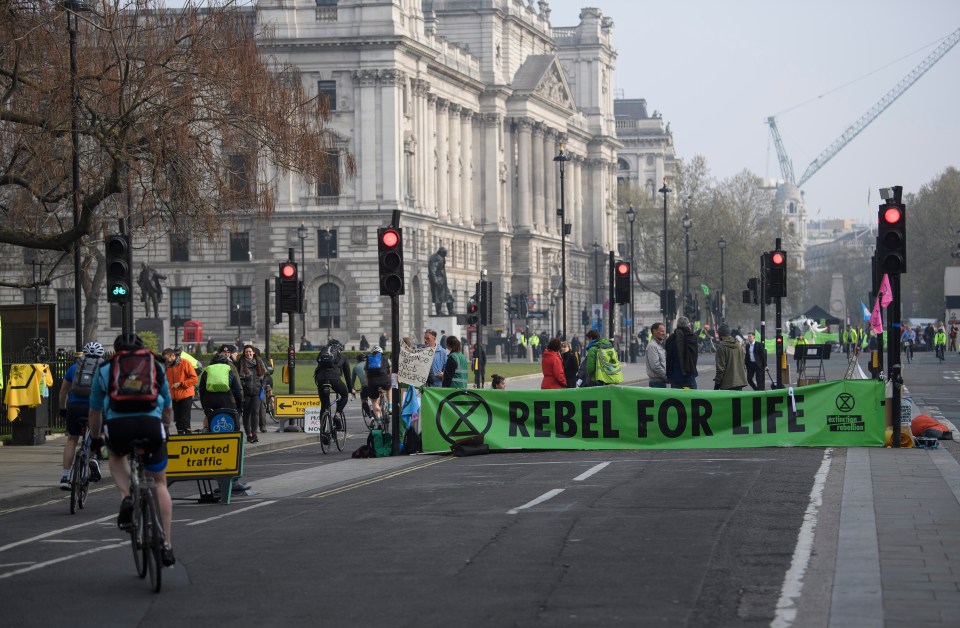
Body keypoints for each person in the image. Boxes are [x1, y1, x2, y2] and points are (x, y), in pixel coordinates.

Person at [87, 333, 176, 567]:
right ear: (141, 349)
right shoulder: (155, 364)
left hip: (119, 427)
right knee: (159, 483)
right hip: (151, 424)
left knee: (116, 457)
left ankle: (127, 498)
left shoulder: (105, 368)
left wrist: (96, 440)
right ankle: (166, 545)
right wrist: (165, 429)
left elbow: (95, 412)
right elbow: (167, 406)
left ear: (116, 351)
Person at [57, 342, 105, 489]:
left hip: (75, 406)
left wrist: (63, 409)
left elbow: (63, 391)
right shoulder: (104, 369)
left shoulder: (74, 367)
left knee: (72, 439)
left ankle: (65, 476)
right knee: (100, 433)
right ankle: (95, 458)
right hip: (94, 407)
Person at [198, 352, 244, 431]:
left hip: (209, 400)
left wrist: (204, 406)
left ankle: (207, 432)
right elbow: (237, 391)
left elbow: (201, 389)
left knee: (210, 420)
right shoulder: (229, 370)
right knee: (229, 417)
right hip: (225, 399)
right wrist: (239, 407)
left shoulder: (207, 370)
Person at [314, 339, 352, 424]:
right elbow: (347, 376)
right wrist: (351, 389)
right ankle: (337, 415)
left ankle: (322, 430)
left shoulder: (322, 354)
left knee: (324, 406)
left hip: (321, 379)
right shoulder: (343, 357)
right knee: (344, 395)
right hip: (334, 379)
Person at [162, 347, 198, 435]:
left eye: (167, 359)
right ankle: (180, 435)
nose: (167, 361)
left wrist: (181, 384)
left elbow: (194, 378)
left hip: (186, 394)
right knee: (177, 419)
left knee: (185, 418)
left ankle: (188, 435)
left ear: (173, 355)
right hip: (174, 396)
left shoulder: (185, 363)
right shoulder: (167, 366)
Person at [237, 345, 266, 444]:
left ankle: (254, 433)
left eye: (250, 352)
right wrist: (244, 385)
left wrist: (264, 385)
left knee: (255, 412)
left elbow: (264, 375)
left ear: (253, 352)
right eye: (246, 352)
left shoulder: (259, 361)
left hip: (257, 392)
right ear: (244, 353)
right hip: (246, 392)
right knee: (247, 413)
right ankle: (248, 434)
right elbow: (239, 378)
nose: (248, 353)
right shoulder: (242, 363)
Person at [664, 316, 699, 389]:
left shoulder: (671, 339)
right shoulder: (692, 337)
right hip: (689, 375)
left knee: (676, 399)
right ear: (688, 325)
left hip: (674, 376)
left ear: (677, 325)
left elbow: (668, 356)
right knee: (692, 398)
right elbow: (694, 356)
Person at [362, 345, 393, 423]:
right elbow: (390, 372)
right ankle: (389, 407)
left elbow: (366, 375)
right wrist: (389, 379)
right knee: (389, 389)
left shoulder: (368, 360)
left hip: (372, 382)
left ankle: (378, 421)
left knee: (374, 401)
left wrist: (368, 383)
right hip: (384, 380)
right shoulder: (386, 358)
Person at [714, 324, 748, 391]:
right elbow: (742, 362)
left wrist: (717, 384)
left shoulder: (721, 348)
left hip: (727, 384)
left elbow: (720, 369)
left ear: (720, 335)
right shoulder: (738, 345)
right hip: (739, 381)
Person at [428, 247, 455, 315]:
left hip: (443, 281)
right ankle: (438, 311)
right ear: (441, 252)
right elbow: (432, 270)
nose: (446, 255)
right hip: (438, 281)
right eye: (445, 253)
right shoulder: (435, 258)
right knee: (438, 297)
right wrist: (435, 280)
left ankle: (451, 311)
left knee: (449, 297)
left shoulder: (441, 257)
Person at [644, 322, 668, 388]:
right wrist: (666, 377)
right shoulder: (652, 346)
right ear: (654, 331)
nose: (664, 333)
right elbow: (655, 366)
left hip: (661, 381)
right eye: (662, 331)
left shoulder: (659, 345)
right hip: (657, 382)